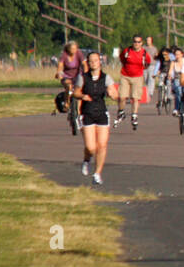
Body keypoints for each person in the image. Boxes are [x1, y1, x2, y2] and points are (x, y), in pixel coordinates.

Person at [74, 51, 121, 186]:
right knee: (91, 147)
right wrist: (82, 96)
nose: (94, 63)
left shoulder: (106, 78)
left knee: (102, 145)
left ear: (100, 62)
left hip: (101, 113)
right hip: (87, 113)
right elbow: (76, 92)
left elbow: (113, 92)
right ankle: (86, 160)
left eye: (96, 60)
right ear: (88, 63)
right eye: (91, 61)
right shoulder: (83, 78)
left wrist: (113, 95)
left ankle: (97, 173)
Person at [115, 34, 151, 130]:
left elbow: (148, 62)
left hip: (138, 77)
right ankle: (121, 111)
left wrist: (141, 69)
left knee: (135, 98)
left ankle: (134, 115)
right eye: (135, 41)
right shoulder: (127, 51)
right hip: (125, 76)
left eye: (138, 42)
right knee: (122, 97)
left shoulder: (144, 53)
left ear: (141, 43)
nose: (136, 43)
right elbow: (122, 59)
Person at [55, 41, 87, 123]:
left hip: (77, 76)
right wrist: (58, 73)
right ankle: (66, 102)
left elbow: (84, 64)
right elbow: (60, 65)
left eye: (75, 48)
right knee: (68, 86)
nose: (74, 50)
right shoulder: (64, 55)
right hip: (66, 75)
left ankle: (79, 113)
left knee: (78, 91)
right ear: (68, 49)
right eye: (72, 48)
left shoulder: (79, 53)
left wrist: (86, 73)